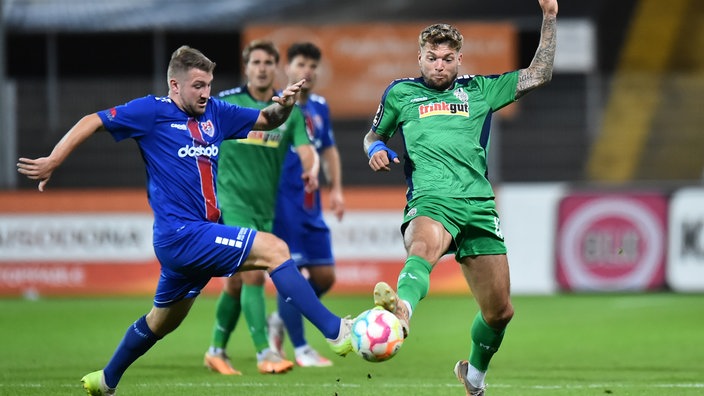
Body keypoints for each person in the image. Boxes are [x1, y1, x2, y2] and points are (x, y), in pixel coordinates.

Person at [16, 45, 353, 396]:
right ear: (174, 86)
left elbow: (266, 120)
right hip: (181, 234)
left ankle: (106, 379)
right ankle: (336, 332)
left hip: (197, 236)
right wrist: (54, 159)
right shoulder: (150, 111)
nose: (206, 92)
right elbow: (92, 120)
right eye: (197, 85)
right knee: (274, 248)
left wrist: (283, 106)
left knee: (161, 322)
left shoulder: (216, 113)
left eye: (208, 84)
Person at [362, 1, 558, 395]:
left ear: (459, 59)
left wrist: (550, 18)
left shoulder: (479, 89)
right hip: (432, 199)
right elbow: (374, 134)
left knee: (500, 312)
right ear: (419, 57)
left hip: (479, 205)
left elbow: (539, 74)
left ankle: (474, 377)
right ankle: (403, 311)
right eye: (431, 57)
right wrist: (374, 150)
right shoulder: (400, 93)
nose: (439, 64)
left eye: (447, 58)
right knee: (423, 247)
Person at [203, 40, 318, 375]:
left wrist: (311, 170)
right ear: (246, 67)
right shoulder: (224, 105)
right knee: (254, 275)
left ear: (276, 67)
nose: (263, 67)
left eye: (269, 61)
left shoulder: (287, 110)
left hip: (263, 208)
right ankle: (264, 352)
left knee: (235, 283)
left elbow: (305, 149)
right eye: (256, 61)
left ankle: (215, 350)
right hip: (230, 203)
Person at [267, 42, 345, 368]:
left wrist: (337, 189)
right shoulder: (275, 107)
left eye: (313, 66)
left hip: (311, 204)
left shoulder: (320, 107)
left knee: (325, 276)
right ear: (288, 68)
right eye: (300, 64)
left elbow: (328, 150)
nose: (307, 71)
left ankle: (281, 319)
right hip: (282, 202)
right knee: (292, 273)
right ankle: (300, 348)